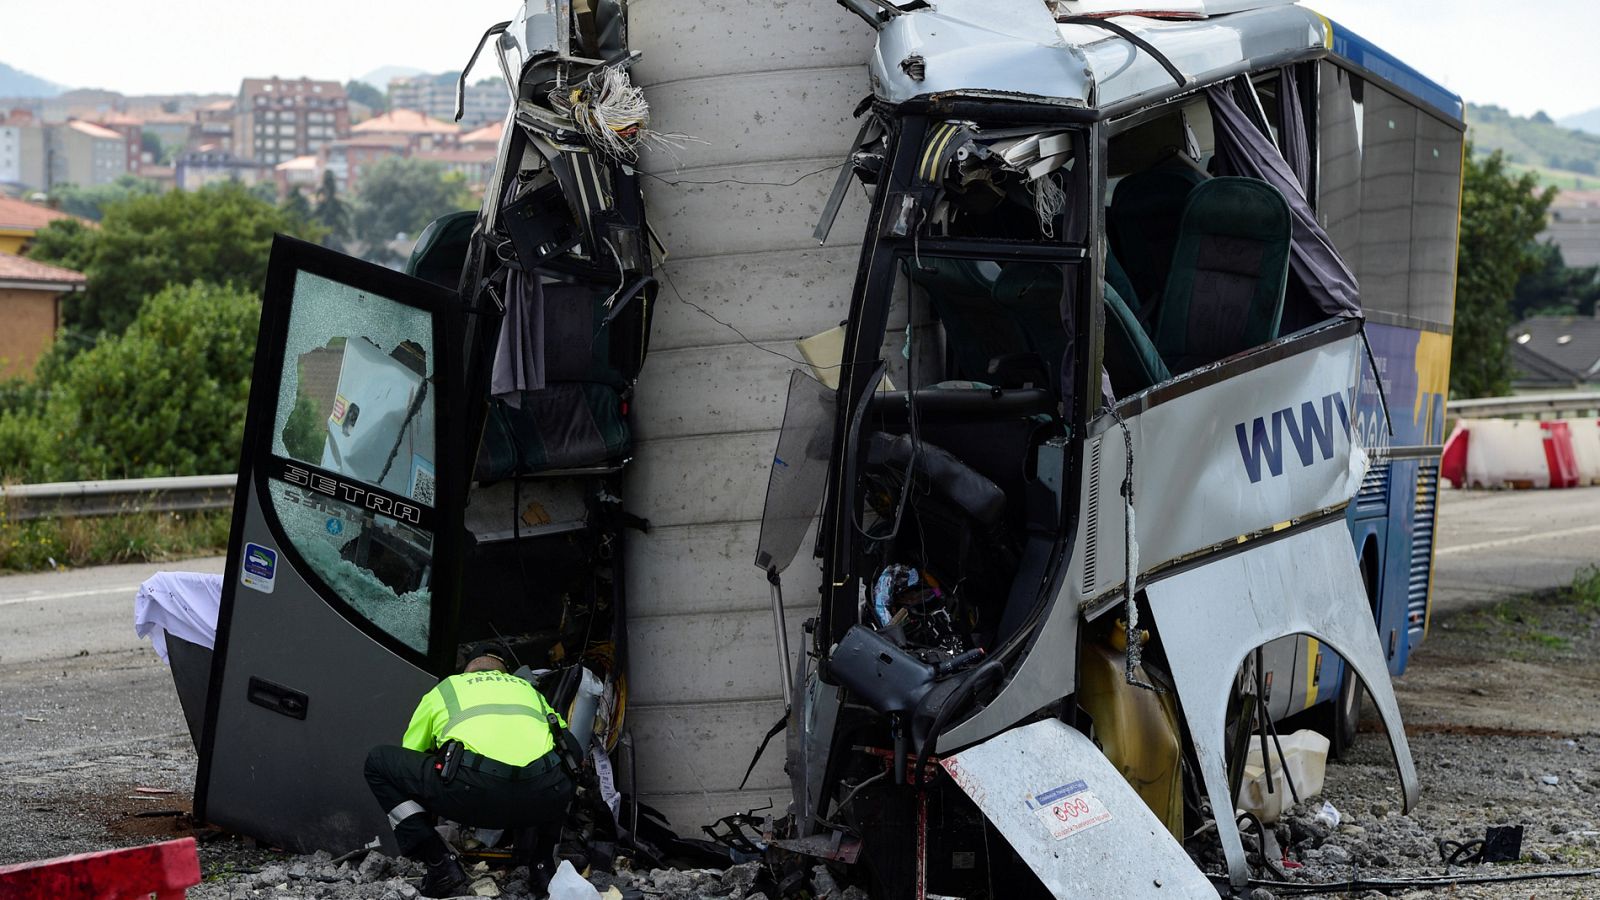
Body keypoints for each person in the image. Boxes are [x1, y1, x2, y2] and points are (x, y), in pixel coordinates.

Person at [365, 643, 577, 898]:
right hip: (542, 799)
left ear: (467, 668)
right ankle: (542, 866)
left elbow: (412, 753)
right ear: (506, 673)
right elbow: (570, 747)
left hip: (468, 796)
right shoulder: (530, 692)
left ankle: (439, 862)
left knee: (378, 762)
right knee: (563, 766)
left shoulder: (448, 688)